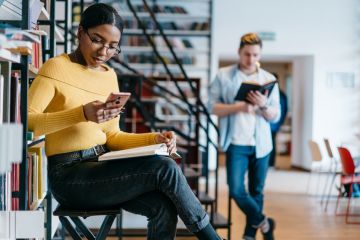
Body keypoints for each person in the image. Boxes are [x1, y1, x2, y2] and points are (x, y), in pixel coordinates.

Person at [28, 3, 222, 240]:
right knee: (165, 167)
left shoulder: (109, 76)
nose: (103, 51)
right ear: (80, 32)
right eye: (97, 40)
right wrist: (82, 114)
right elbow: (27, 122)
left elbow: (113, 137)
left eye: (112, 46)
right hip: (69, 177)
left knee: (163, 205)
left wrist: (156, 138)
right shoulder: (55, 67)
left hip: (101, 166)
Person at [208, 33, 280, 240]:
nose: (251, 59)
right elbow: (211, 106)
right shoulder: (224, 75)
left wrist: (263, 105)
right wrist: (239, 106)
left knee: (257, 190)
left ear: (260, 54)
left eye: (255, 55)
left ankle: (249, 235)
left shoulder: (268, 79)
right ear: (239, 52)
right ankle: (265, 223)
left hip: (261, 144)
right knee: (237, 189)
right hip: (236, 142)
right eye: (247, 54)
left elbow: (275, 116)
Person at [268, 74, 288, 167]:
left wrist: (280, 123)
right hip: (270, 123)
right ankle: (269, 163)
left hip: (273, 124)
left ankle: (271, 163)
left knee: (271, 143)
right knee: (269, 143)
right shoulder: (269, 92)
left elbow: (284, 110)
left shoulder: (281, 95)